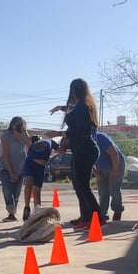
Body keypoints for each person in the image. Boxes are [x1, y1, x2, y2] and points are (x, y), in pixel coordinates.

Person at [49, 78, 103, 230]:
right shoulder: (84, 105)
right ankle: (86, 216)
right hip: (82, 148)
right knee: (78, 184)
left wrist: (60, 134)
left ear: (74, 90)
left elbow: (79, 130)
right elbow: (72, 110)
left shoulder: (83, 107)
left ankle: (97, 216)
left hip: (85, 148)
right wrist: (61, 108)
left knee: (83, 185)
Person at [0, 116, 31, 222]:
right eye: (19, 130)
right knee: (7, 189)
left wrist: (26, 134)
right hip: (6, 166)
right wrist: (11, 172)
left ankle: (13, 213)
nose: (19, 134)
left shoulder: (24, 136)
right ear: (13, 128)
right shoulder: (5, 137)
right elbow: (6, 156)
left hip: (21, 165)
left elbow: (30, 148)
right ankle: (11, 212)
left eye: (22, 130)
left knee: (16, 191)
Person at [21, 135, 58, 221]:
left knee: (36, 191)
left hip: (40, 167)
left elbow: (59, 149)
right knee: (29, 183)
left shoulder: (49, 143)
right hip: (31, 164)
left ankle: (37, 212)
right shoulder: (37, 145)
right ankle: (27, 207)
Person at [93, 131, 125, 222]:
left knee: (113, 189)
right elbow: (88, 162)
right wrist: (97, 175)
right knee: (103, 191)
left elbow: (114, 154)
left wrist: (115, 170)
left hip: (116, 163)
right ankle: (103, 214)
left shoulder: (100, 137)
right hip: (101, 168)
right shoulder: (84, 143)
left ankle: (117, 210)